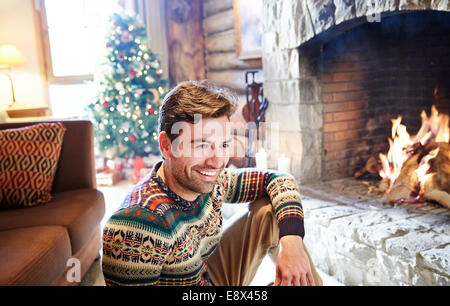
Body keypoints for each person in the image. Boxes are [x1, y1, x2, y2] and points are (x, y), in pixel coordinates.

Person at [101, 80, 322, 286]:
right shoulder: (136, 227)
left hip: (206, 276)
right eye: (201, 146)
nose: (217, 161)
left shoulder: (211, 181)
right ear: (166, 145)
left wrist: (292, 241)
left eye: (224, 145)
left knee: (270, 211)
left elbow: (278, 179)